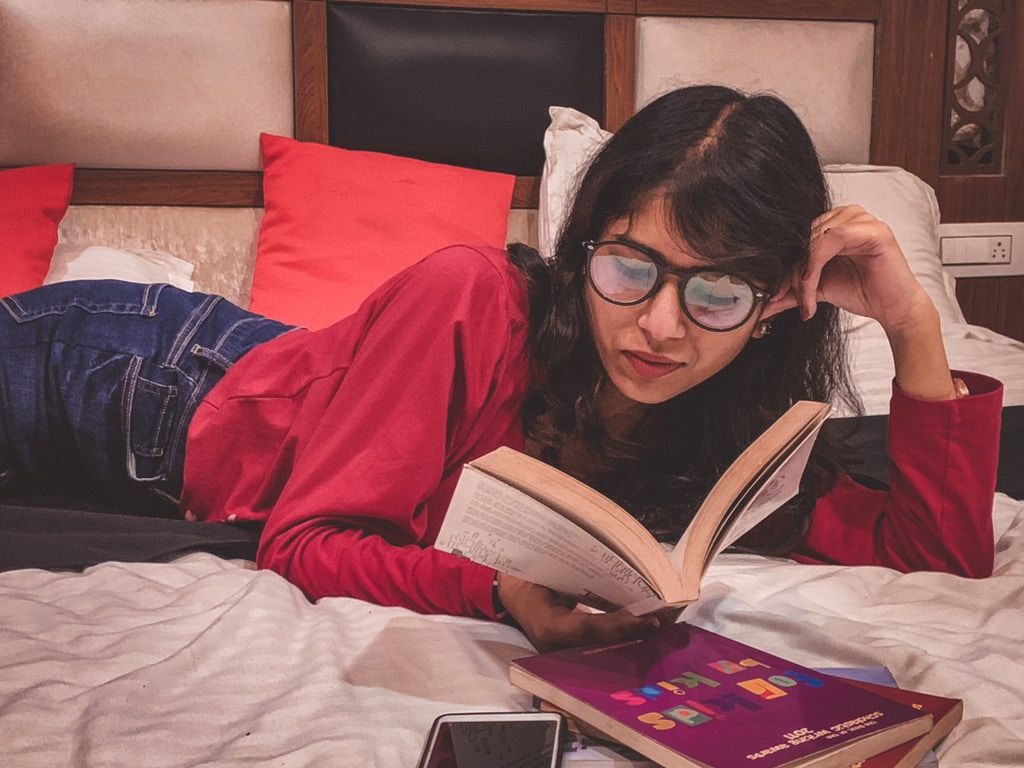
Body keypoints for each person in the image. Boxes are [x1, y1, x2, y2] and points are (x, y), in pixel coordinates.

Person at [0, 86, 1002, 651]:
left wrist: (912, 318)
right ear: (583, 244)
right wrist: (501, 596)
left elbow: (939, 549)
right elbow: (301, 539)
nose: (658, 328)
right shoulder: (470, 298)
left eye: (714, 293)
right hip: (137, 376)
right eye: (628, 266)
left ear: (776, 303)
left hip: (258, 381)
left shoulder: (733, 419)